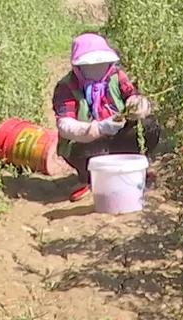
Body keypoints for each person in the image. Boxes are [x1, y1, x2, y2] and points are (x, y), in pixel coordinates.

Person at [52, 33, 160, 202]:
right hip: (85, 143)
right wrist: (97, 128)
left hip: (115, 137)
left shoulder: (116, 76)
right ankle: (88, 179)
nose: (97, 69)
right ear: (77, 66)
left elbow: (132, 94)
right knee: (92, 152)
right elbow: (65, 124)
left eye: (102, 64)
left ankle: (131, 169)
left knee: (149, 127)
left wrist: (137, 105)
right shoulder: (66, 87)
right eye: (90, 65)